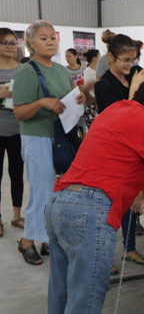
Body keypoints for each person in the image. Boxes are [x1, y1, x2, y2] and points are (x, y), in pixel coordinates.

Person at [45, 74, 144, 314]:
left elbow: (133, 158)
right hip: (88, 211)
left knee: (61, 290)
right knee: (85, 298)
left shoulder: (115, 109)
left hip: (59, 202)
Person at [13, 20, 86, 265]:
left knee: (58, 192)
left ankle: (47, 239)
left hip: (59, 136)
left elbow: (65, 99)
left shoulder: (62, 70)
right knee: (42, 190)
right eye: (42, 38)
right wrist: (43, 103)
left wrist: (79, 98)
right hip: (37, 137)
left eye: (53, 37)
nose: (49, 42)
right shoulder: (27, 71)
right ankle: (27, 242)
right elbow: (20, 112)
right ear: (31, 43)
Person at [94, 34, 144, 267]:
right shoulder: (104, 85)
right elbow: (119, 119)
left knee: (130, 201)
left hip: (135, 148)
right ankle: (101, 257)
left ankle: (129, 249)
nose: (129, 65)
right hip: (112, 151)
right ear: (110, 57)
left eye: (133, 59)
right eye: (124, 60)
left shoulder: (135, 74)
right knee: (108, 207)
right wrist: (135, 89)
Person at [0, 27, 24, 237]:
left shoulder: (22, 70)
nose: (9, 46)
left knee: (17, 174)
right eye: (4, 42)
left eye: (12, 42)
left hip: (18, 129)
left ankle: (17, 216)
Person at [82, 49, 100, 128]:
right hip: (93, 105)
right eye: (99, 56)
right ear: (95, 58)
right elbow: (91, 90)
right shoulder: (88, 72)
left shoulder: (98, 71)